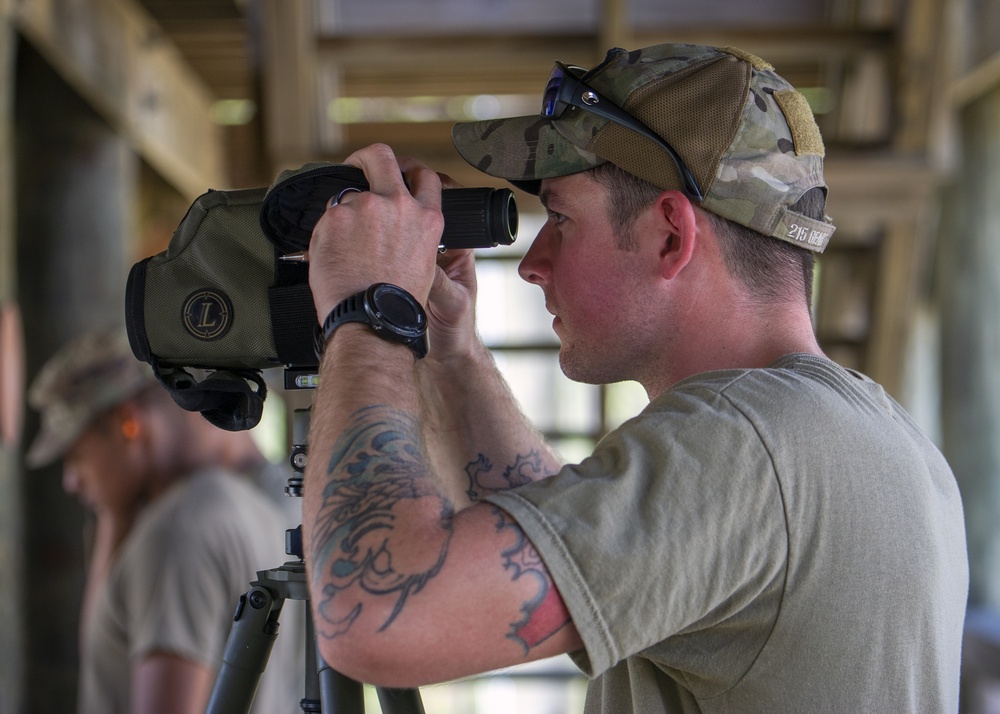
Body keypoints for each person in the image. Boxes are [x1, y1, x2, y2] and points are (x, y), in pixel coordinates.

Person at [300, 42, 969, 712]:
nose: (534, 263)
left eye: (561, 218)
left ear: (671, 237)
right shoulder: (865, 439)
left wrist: (370, 311)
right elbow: (571, 564)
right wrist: (450, 351)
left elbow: (371, 615)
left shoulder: (743, 448)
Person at [27, 325, 303, 714]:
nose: (71, 481)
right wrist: (115, 515)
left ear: (128, 423)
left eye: (76, 454)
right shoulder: (264, 505)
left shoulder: (181, 530)